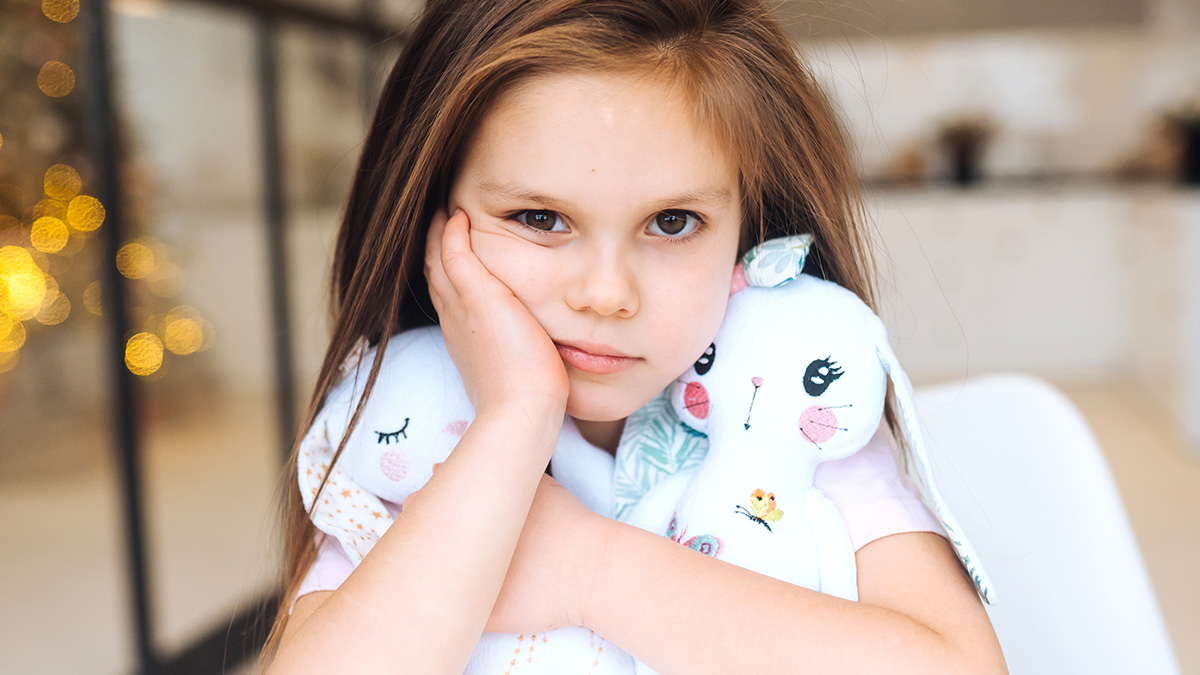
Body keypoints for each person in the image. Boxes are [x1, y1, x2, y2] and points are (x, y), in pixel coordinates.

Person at [258, 0, 1008, 672]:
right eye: (540, 218)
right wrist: (515, 415)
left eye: (673, 222)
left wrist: (592, 569)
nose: (607, 294)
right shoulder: (410, 426)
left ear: (749, 231)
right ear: (434, 222)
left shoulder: (778, 413)